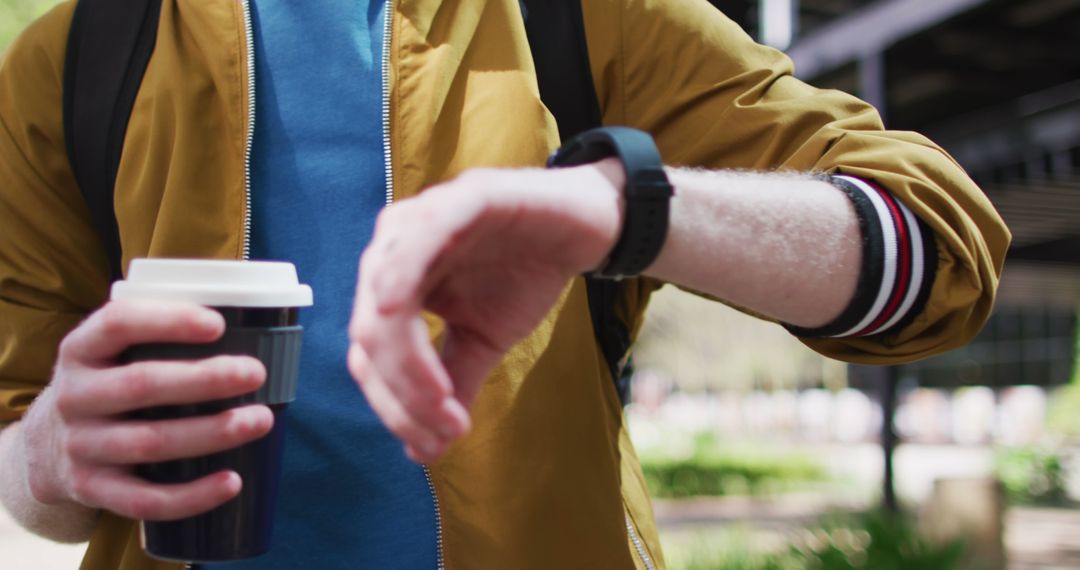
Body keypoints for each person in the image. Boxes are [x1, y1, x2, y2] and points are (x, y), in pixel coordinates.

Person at [0, 0, 1008, 568]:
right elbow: (20, 461)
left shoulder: (587, 16)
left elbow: (939, 249)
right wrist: (48, 452)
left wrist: (628, 208)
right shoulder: (72, 60)